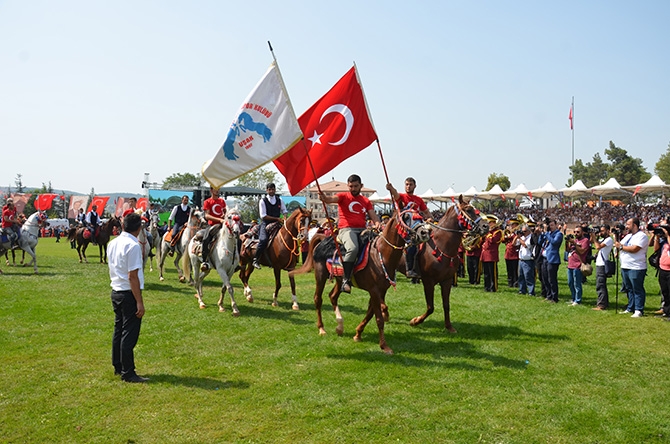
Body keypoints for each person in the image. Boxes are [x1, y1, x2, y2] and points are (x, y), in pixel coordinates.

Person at [320, 174, 381, 293]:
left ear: (361, 186)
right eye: (351, 186)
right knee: (353, 249)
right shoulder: (343, 196)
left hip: (363, 230)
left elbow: (373, 216)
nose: (353, 189)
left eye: (356, 186)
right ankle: (346, 280)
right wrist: (325, 198)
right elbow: (331, 200)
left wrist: (377, 223)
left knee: (377, 245)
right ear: (348, 186)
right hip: (346, 230)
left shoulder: (366, 201)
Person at [107, 212, 148, 383]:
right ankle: (128, 372)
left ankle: (118, 365)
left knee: (119, 331)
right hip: (127, 292)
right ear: (139, 228)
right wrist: (139, 301)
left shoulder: (113, 243)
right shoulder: (133, 246)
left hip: (116, 290)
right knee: (129, 334)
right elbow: (133, 276)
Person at [393, 177, 433, 278]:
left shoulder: (418, 199)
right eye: (406, 184)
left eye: (410, 184)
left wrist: (430, 219)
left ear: (415, 186)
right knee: (412, 244)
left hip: (418, 225)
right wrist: (391, 188)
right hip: (405, 225)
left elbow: (427, 213)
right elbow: (395, 194)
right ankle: (409, 268)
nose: (408, 186)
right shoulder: (402, 196)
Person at [615, 217, 649, 317]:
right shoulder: (628, 236)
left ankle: (639, 309)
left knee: (637, 288)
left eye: (628, 224)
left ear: (634, 225)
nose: (626, 226)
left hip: (636, 267)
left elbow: (635, 249)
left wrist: (620, 247)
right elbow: (619, 244)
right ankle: (631, 307)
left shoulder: (641, 236)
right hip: (625, 265)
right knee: (629, 288)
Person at [253, 183, 287, 269]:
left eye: (273, 189)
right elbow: (263, 215)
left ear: (275, 190)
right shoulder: (262, 201)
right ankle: (256, 259)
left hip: (277, 223)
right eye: (269, 189)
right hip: (266, 223)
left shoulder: (280, 200)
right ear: (267, 190)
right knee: (263, 240)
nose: (271, 191)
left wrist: (285, 218)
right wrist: (277, 218)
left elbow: (284, 211)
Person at [200, 187, 227, 272]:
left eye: (218, 189)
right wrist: (219, 219)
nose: (217, 191)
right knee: (206, 239)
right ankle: (204, 261)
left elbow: (225, 212)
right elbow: (207, 216)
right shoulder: (207, 202)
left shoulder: (222, 201)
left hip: (223, 225)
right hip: (212, 226)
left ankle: (236, 261)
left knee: (236, 238)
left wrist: (224, 215)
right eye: (215, 189)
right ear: (211, 190)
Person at [565, 225, 590, 306]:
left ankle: (578, 300)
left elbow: (582, 251)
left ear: (582, 232)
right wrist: (567, 241)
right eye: (574, 232)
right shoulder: (575, 240)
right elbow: (567, 250)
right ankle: (573, 298)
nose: (576, 233)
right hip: (570, 264)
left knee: (577, 284)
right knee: (570, 282)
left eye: (578, 232)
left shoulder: (585, 240)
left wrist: (574, 243)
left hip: (578, 265)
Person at [591, 224, 614, 310]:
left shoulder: (608, 240)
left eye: (602, 231)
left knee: (600, 285)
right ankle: (604, 303)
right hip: (599, 264)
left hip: (603, 265)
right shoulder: (602, 239)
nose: (601, 232)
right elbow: (591, 241)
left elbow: (597, 247)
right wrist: (593, 235)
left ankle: (601, 305)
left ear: (608, 231)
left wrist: (594, 237)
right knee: (601, 284)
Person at [542, 219, 564, 303]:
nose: (550, 227)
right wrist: (542, 233)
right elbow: (540, 242)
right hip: (545, 258)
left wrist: (547, 234)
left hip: (553, 259)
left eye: (552, 225)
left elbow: (554, 242)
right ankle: (549, 295)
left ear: (556, 225)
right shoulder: (548, 234)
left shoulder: (559, 234)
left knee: (552, 279)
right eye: (549, 225)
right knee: (545, 278)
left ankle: (555, 297)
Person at [480, 215, 503, 292]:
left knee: (492, 273)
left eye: (490, 223)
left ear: (494, 223)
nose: (488, 224)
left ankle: (493, 287)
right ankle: (487, 287)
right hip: (485, 254)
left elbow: (493, 240)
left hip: (492, 255)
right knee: (486, 273)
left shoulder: (498, 232)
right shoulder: (488, 232)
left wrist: (489, 234)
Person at [653, 223, 670, 321]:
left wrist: (668, 235)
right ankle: (667, 312)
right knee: (665, 292)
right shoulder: (664, 240)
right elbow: (655, 249)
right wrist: (657, 237)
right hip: (663, 269)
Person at [517, 223, 535, 296]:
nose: (522, 233)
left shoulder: (531, 238)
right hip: (521, 259)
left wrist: (519, 238)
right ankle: (522, 290)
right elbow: (514, 244)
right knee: (521, 276)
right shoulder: (523, 237)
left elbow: (525, 245)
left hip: (528, 260)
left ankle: (531, 291)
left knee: (528, 276)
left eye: (524, 231)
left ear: (528, 231)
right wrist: (517, 237)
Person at [502, 219, 520, 287]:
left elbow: (516, 243)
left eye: (513, 225)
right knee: (509, 269)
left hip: (515, 253)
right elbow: (503, 241)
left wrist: (512, 235)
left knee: (515, 269)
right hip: (508, 253)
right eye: (511, 225)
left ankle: (515, 282)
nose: (511, 226)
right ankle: (510, 282)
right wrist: (506, 235)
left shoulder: (517, 233)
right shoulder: (509, 232)